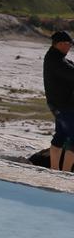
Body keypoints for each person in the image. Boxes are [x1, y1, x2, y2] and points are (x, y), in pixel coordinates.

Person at [44, 30, 74, 170]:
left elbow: (69, 66)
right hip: (65, 106)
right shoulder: (56, 61)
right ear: (61, 44)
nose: (70, 48)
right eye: (69, 45)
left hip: (59, 105)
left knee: (60, 136)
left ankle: (54, 170)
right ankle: (66, 173)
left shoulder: (55, 57)